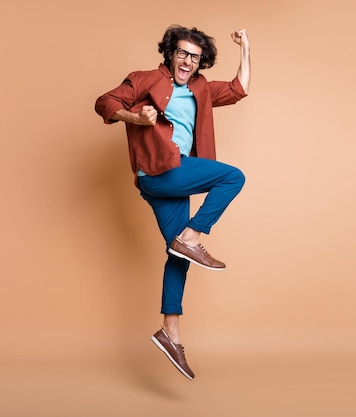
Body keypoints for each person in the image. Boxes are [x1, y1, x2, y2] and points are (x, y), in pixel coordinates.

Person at [94, 24, 250, 380]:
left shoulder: (200, 88)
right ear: (170, 54)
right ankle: (193, 237)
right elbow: (104, 102)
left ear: (200, 63)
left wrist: (246, 46)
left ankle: (170, 332)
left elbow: (241, 88)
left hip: (168, 183)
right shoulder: (145, 79)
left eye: (195, 57)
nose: (188, 61)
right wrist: (135, 116)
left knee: (177, 255)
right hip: (159, 170)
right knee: (232, 176)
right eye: (182, 53)